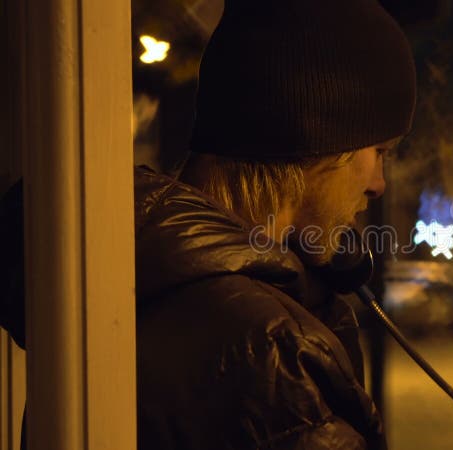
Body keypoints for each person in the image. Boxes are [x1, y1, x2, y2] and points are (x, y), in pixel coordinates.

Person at [1, 0, 416, 449]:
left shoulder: (132, 273)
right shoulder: (273, 350)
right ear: (317, 137)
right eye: (379, 152)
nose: (379, 184)